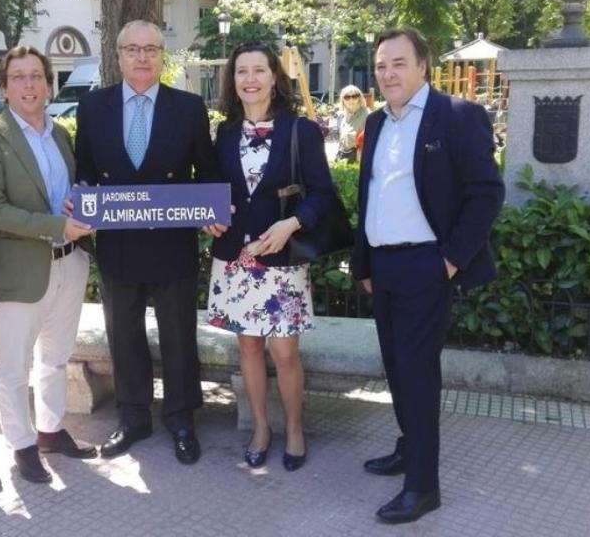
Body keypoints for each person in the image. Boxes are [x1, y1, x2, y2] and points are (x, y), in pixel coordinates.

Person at [351, 28, 504, 524]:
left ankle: (422, 487)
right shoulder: (376, 122)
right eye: (381, 65)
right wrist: (364, 263)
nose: (387, 73)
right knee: (396, 368)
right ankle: (408, 447)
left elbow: (487, 193)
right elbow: (370, 195)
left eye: (398, 63)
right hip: (384, 266)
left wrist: (450, 260)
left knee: (417, 375)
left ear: (423, 66)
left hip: (427, 265)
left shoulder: (457, 116)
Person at [74, 20, 217, 464]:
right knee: (124, 334)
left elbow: (207, 172)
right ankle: (133, 417)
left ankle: (181, 418)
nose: (141, 57)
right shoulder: (92, 107)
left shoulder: (189, 108)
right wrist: (81, 199)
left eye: (151, 49)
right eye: (132, 49)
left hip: (172, 243)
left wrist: (213, 209)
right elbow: (85, 171)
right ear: (118, 56)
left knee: (179, 335)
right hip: (118, 244)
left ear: (162, 56)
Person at [0, 46, 97, 484]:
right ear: (4, 87)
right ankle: (21, 445)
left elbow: (66, 193)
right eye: (19, 77)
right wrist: (58, 224)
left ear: (49, 84)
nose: (29, 85)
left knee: (56, 357)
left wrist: (78, 204)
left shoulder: (60, 135)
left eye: (37, 76)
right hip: (21, 270)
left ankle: (50, 431)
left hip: (70, 263)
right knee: (14, 366)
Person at [205, 43, 334, 471]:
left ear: (275, 78)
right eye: (241, 71)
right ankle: (261, 429)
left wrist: (292, 224)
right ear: (232, 80)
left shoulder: (301, 131)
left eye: (259, 70)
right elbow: (215, 190)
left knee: (285, 353)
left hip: (282, 260)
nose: (250, 79)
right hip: (236, 258)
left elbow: (322, 194)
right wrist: (210, 216)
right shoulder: (224, 133)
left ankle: (294, 430)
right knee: (248, 348)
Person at [336, 84, 368, 162]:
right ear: (342, 100)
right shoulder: (341, 116)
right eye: (347, 97)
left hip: (359, 161)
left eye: (354, 96)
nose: (351, 100)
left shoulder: (368, 116)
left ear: (359, 98)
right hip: (343, 158)